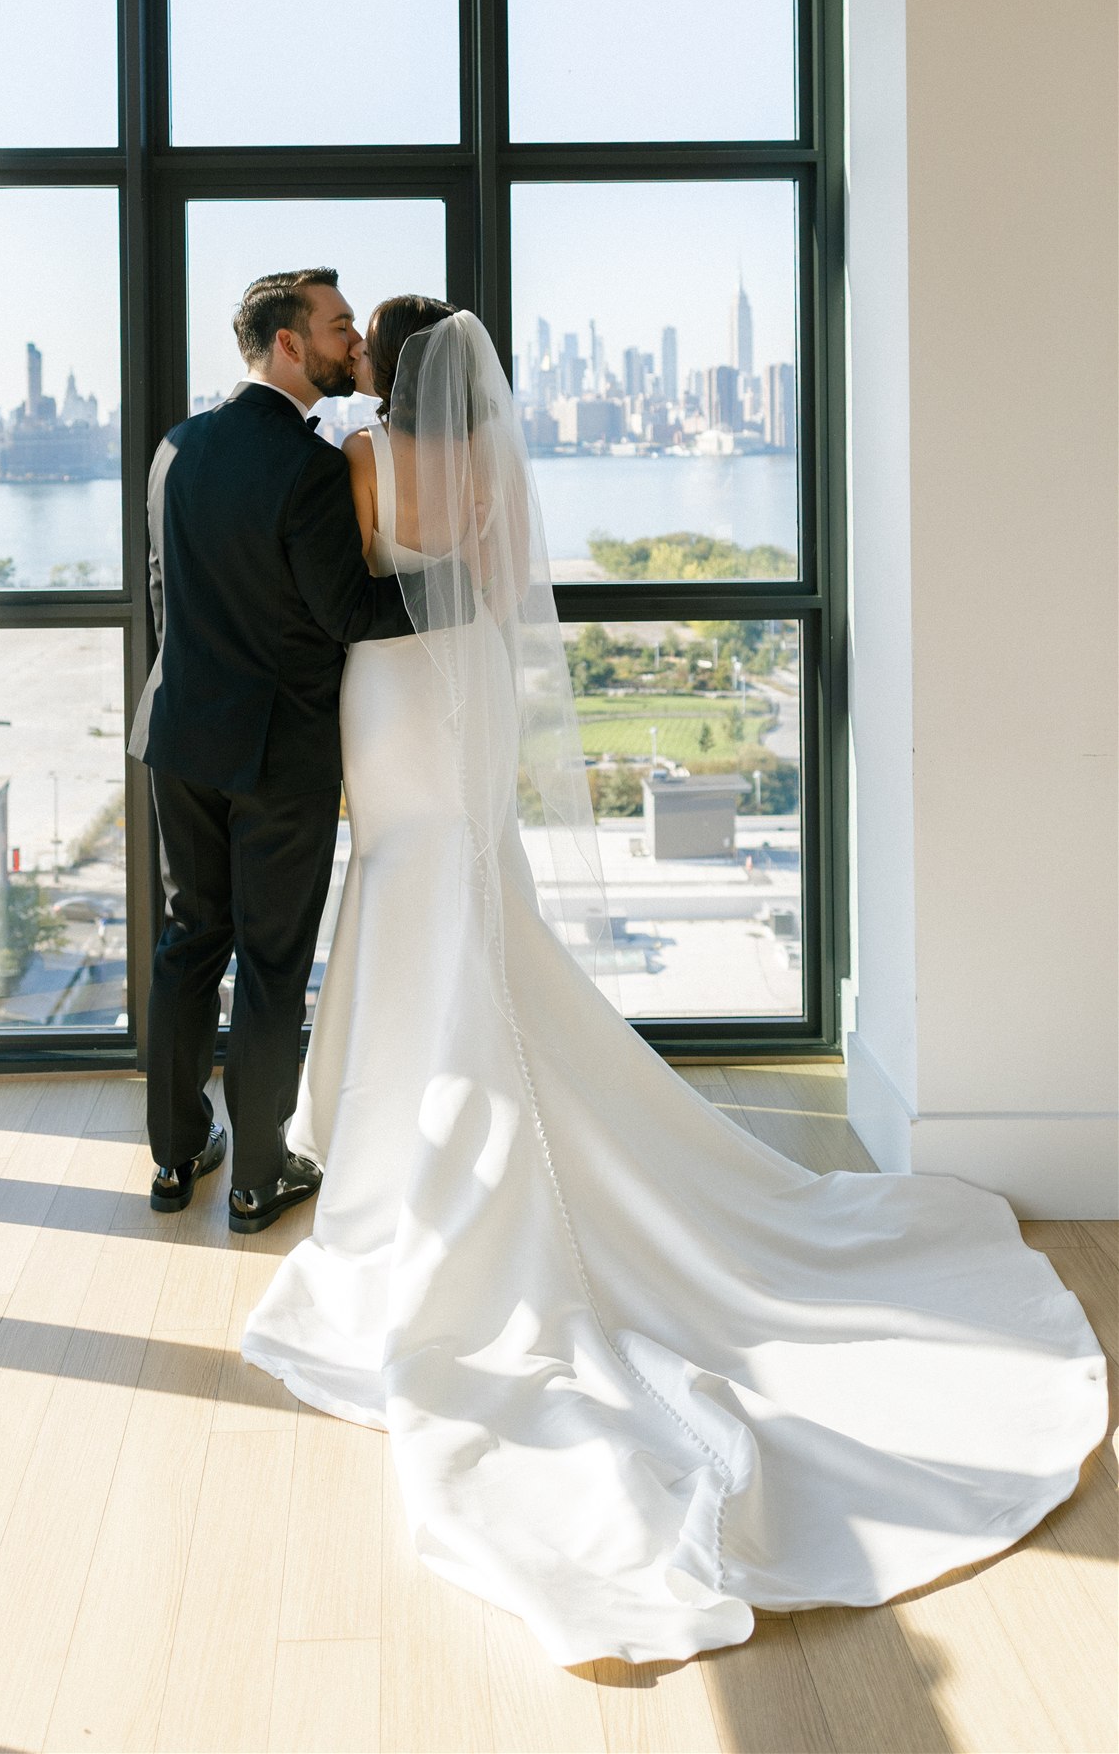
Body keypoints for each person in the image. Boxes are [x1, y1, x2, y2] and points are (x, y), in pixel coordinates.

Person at [240, 299, 1110, 1667]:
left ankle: (410, 1181)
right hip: (458, 687)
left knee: (408, 888)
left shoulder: (352, 461)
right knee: (470, 885)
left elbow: (333, 586)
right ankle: (462, 1138)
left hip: (384, 700)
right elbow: (509, 588)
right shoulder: (495, 472)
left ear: (380, 373)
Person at [127, 268, 462, 1234]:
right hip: (279, 753)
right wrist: (464, 593)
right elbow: (350, 610)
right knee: (272, 964)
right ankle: (256, 1180)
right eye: (334, 324)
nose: (349, 338)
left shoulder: (175, 449)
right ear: (286, 344)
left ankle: (174, 1155)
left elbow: (165, 599)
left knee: (190, 941)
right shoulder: (310, 468)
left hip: (180, 733)